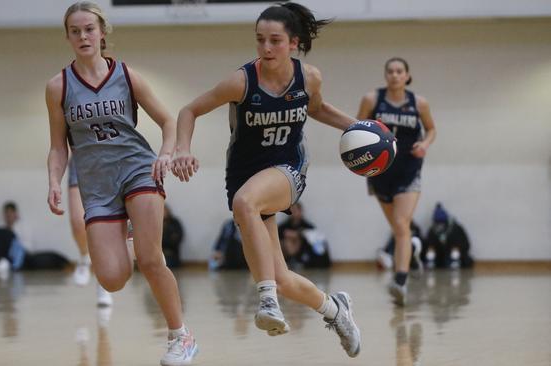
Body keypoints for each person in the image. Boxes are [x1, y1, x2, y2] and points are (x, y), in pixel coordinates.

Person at [172, 2, 360, 357]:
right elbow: (189, 111)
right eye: (260, 40)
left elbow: (315, 107)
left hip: (287, 169)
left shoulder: (309, 77)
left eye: (275, 40)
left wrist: (358, 126)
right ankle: (336, 310)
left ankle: (267, 302)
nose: (266, 48)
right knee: (283, 276)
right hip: (243, 176)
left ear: (293, 43)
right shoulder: (241, 81)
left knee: (247, 204)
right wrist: (182, 148)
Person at [45, 2, 197, 365]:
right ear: (68, 37)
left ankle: (181, 336)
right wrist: (53, 181)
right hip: (96, 186)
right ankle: (129, 229)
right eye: (76, 31)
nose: (83, 36)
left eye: (89, 29)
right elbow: (57, 146)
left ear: (102, 33)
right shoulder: (58, 87)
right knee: (112, 279)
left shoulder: (127, 76)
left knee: (150, 258)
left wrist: (164, 154)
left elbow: (167, 120)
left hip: (138, 169)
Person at [357, 57, 437, 306]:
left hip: (409, 168)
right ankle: (411, 251)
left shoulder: (419, 103)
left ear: (407, 76)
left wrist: (424, 144)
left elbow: (432, 129)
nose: (394, 75)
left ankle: (400, 280)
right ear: (385, 76)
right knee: (398, 228)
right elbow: (356, 128)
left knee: (402, 223)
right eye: (390, 71)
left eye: (399, 71)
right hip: (380, 171)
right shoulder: (372, 99)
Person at [68, 158, 115, 306]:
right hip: (81, 157)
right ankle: (84, 258)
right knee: (78, 222)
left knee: (103, 226)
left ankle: (103, 282)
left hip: (111, 157)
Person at [0, 202, 33, 277]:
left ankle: (5, 260)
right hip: (0, 253)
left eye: (11, 213)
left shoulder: (23, 227)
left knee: (8, 234)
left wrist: (12, 235)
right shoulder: (0, 227)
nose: (8, 215)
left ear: (15, 214)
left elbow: (28, 247)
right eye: (6, 213)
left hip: (16, 253)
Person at [424, 203, 473, 269]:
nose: (440, 225)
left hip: (456, 254)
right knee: (430, 254)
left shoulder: (456, 228)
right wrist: (431, 250)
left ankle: (455, 263)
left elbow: (465, 243)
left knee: (455, 253)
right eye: (438, 222)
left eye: (442, 222)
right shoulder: (432, 230)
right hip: (440, 256)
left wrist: (457, 248)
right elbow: (429, 244)